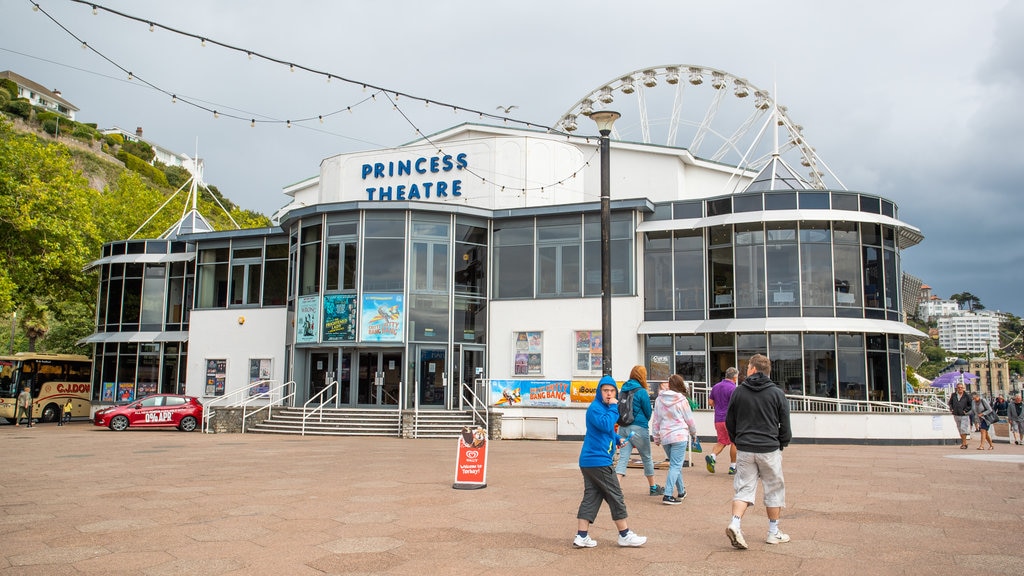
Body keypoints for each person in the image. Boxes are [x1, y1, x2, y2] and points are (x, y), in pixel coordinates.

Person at [724, 353, 792, 549]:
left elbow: (730, 421)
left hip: (745, 447)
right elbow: (784, 423)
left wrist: (738, 440)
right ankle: (773, 532)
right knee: (774, 489)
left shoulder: (739, 392)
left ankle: (735, 523)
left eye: (747, 368)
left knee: (744, 488)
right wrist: (781, 442)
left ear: (753, 369)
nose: (745, 372)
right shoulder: (777, 393)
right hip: (769, 448)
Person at [573, 375, 647, 548]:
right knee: (616, 495)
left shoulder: (601, 408)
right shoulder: (596, 408)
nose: (609, 394)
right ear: (599, 392)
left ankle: (581, 536)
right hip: (598, 461)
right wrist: (615, 407)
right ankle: (625, 534)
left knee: (592, 497)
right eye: (605, 390)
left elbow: (602, 431)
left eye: (612, 391)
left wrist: (616, 439)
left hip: (590, 461)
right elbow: (606, 425)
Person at [614, 365, 663, 496]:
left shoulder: (623, 389)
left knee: (623, 457)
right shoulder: (641, 391)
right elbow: (648, 411)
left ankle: (616, 488)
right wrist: (642, 423)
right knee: (646, 457)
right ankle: (653, 487)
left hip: (623, 427)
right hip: (639, 428)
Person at [650, 374, 697, 505]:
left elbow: (656, 420)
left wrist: (656, 436)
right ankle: (668, 495)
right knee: (676, 466)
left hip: (665, 436)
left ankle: (681, 491)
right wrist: (694, 433)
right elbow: (689, 420)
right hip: (679, 436)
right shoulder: (682, 400)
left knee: (674, 465)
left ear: (669, 385)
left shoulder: (659, 399)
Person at [707, 367, 739, 475]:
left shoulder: (716, 387)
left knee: (721, 441)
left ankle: (712, 456)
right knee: (734, 442)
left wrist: (719, 406)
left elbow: (710, 402)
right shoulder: (733, 388)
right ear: (735, 377)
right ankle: (732, 466)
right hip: (730, 419)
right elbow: (736, 405)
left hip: (718, 419)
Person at [947, 382, 972, 449]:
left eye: (961, 387)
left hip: (964, 415)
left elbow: (970, 405)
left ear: (963, 388)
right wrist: (952, 409)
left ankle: (964, 443)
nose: (960, 389)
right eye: (959, 388)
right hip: (956, 414)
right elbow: (950, 403)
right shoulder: (954, 395)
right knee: (959, 429)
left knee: (963, 429)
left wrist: (965, 410)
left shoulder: (967, 395)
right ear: (956, 388)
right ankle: (964, 442)